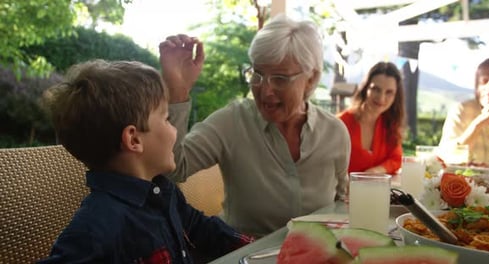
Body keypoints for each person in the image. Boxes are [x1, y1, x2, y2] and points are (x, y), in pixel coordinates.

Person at [37, 60, 253, 263]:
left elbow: (204, 230)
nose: (174, 130)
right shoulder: (95, 229)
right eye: (166, 118)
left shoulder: (163, 192)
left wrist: (262, 250)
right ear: (134, 139)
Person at [159, 14, 350, 238]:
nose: (265, 90)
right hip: (242, 253)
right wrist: (177, 90)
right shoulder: (231, 122)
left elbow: (341, 202)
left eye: (280, 78)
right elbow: (174, 168)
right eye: (257, 75)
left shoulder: (334, 133)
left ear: (311, 78)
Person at [337, 62, 405, 175]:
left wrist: (377, 171)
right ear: (365, 88)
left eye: (389, 92)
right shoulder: (341, 123)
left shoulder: (390, 124)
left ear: (396, 96)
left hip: (373, 190)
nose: (381, 98)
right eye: (376, 89)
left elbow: (396, 159)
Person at [439, 56, 489, 166]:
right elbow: (445, 158)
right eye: (484, 81)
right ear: (476, 89)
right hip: (466, 182)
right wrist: (477, 125)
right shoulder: (462, 110)